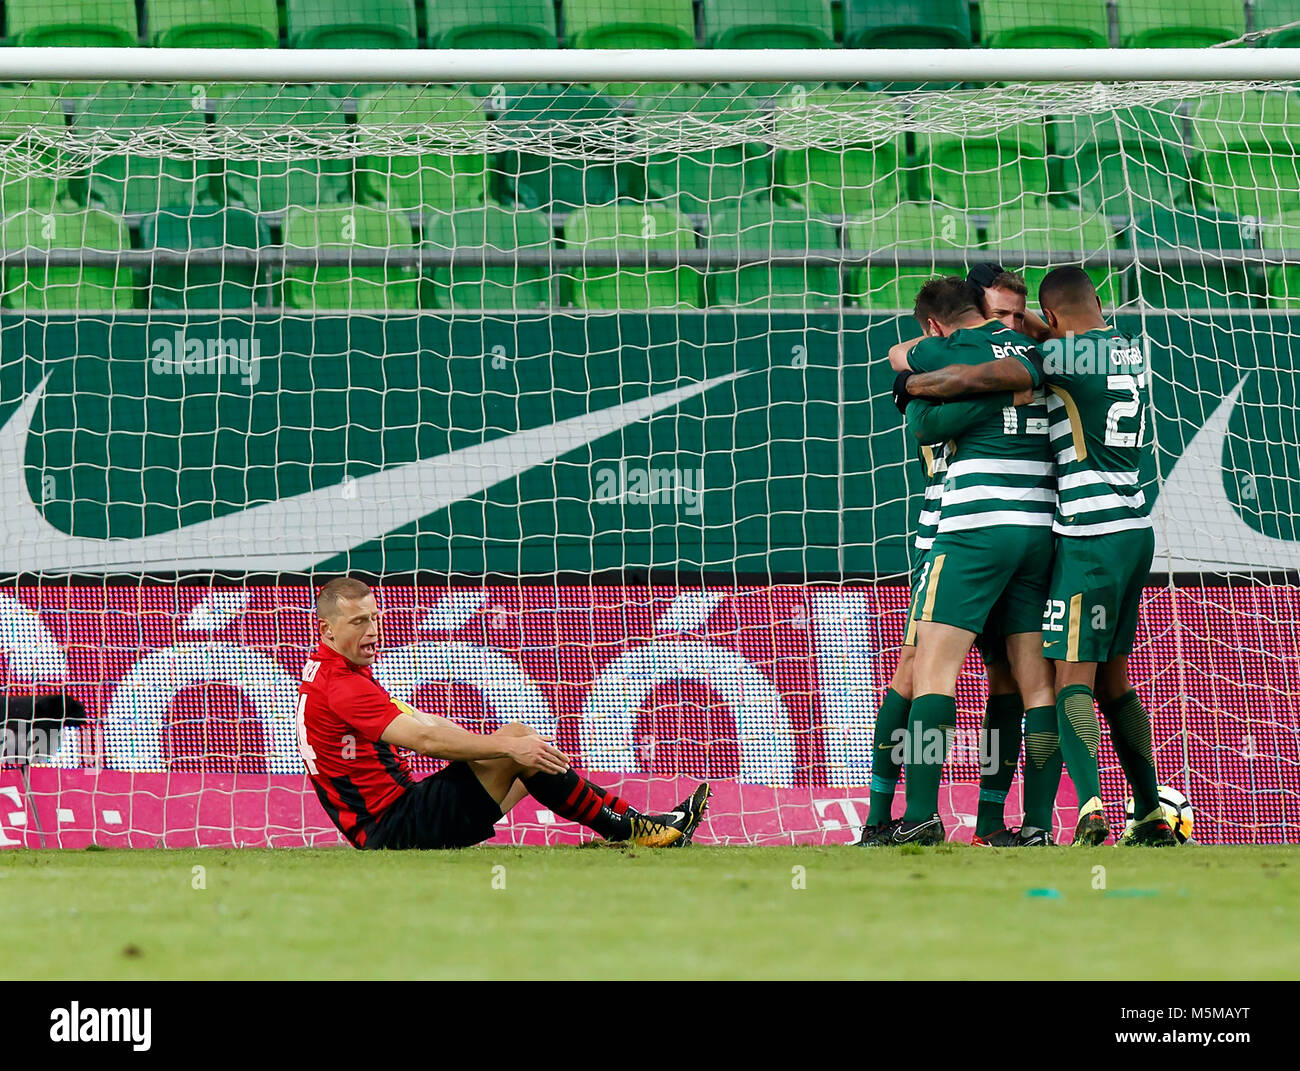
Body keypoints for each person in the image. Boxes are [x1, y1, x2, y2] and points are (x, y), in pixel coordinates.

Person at [901, 266, 1176, 847]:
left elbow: (977, 378)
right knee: (1110, 681)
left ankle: (1089, 806)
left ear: (1047, 318)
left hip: (1084, 537)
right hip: (1135, 531)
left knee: (1065, 679)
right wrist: (1022, 324)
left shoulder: (1054, 360)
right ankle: (1147, 810)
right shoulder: (1126, 347)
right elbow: (1051, 331)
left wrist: (916, 384)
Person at [297, 576, 710, 850]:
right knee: (519, 751)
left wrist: (501, 748)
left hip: (395, 815)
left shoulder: (334, 672)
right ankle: (640, 830)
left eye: (375, 618)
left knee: (519, 740)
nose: (372, 631)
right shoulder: (342, 685)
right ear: (327, 630)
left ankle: (640, 826)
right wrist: (506, 750)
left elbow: (424, 721)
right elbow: (425, 741)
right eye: (358, 622)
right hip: (392, 826)